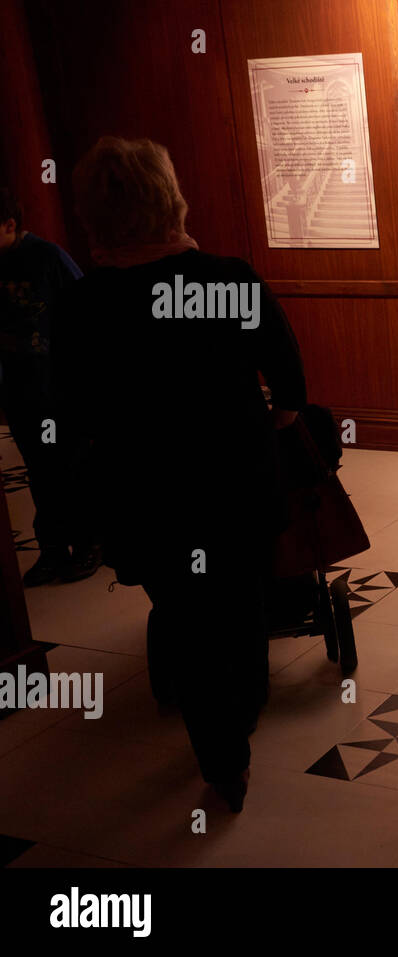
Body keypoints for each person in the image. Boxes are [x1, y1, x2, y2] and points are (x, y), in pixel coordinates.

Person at [53, 137, 306, 812]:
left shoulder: (84, 306)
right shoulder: (225, 279)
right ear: (170, 198)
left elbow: (71, 413)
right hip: (235, 481)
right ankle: (245, 704)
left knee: (185, 615)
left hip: (146, 493)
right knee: (245, 596)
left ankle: (222, 758)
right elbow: (287, 377)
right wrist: (276, 422)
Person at [0, 187, 100, 585]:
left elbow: (86, 315)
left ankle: (91, 542)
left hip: (60, 388)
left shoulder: (47, 257)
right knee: (39, 472)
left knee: (74, 466)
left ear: (10, 224)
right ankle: (53, 549)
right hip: (21, 390)